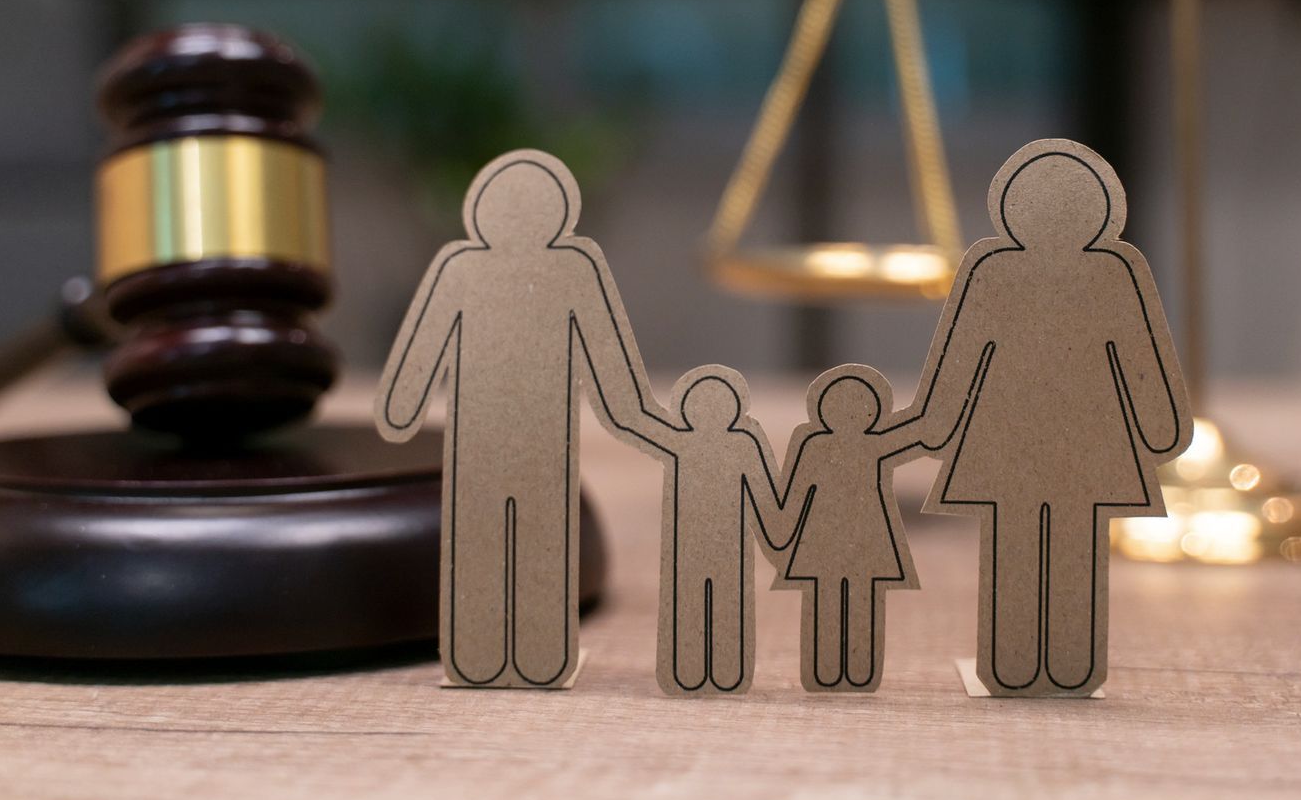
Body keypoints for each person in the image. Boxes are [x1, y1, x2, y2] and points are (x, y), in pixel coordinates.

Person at [898, 139, 1189, 697]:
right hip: (1023, 440)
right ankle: (1027, 661)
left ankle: (1057, 662)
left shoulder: (1111, 273)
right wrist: (1162, 427)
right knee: (1021, 543)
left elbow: (1138, 354)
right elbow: (965, 351)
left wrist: (935, 424)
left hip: (1077, 440)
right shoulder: (995, 271)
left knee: (1066, 544)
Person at [375, 149, 670, 688]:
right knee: (485, 540)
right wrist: (402, 403)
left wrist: (642, 421)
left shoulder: (569, 269)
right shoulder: (464, 267)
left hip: (541, 439)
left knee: (537, 539)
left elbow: (607, 358)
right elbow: (425, 345)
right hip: (482, 440)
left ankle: (531, 653)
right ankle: (483, 653)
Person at [626, 365, 795, 695]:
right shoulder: (678, 441)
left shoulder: (744, 443)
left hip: (730, 547)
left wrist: (782, 543)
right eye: (702, 403)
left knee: (728, 604)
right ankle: (687, 670)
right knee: (687, 602)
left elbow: (765, 494)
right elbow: (637, 422)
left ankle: (725, 670)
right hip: (686, 545)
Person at [772, 365, 934, 693]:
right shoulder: (814, 446)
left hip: (866, 539)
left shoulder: (875, 444)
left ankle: (857, 668)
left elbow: (922, 430)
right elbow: (794, 493)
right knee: (827, 599)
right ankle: (827, 668)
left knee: (861, 600)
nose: (849, 415)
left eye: (858, 405)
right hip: (824, 540)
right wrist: (780, 537)